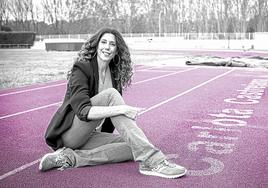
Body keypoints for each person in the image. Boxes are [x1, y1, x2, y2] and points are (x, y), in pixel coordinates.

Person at [39, 27, 187, 179]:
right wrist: (121, 109)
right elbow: (84, 111)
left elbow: (112, 122)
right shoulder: (82, 68)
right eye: (103, 42)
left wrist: (120, 114)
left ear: (117, 50)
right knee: (111, 96)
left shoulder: (114, 76)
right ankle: (153, 161)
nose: (107, 47)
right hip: (70, 133)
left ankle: (69, 158)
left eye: (112, 44)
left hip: (91, 135)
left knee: (135, 145)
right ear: (96, 45)